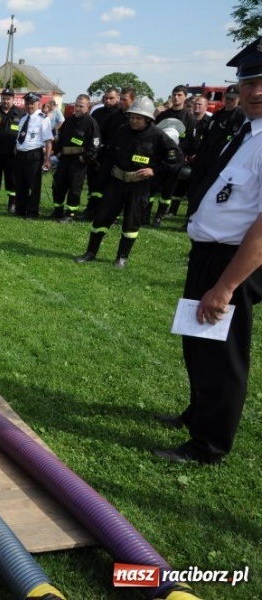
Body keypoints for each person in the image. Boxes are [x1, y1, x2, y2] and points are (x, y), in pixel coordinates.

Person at [153, 41, 262, 464]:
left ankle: (209, 445)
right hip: (209, 253)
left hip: (235, 260)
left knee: (222, 353)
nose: (255, 91)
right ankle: (198, 413)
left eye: (261, 83)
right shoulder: (244, 129)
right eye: (248, 82)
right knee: (198, 342)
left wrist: (227, 285)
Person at [74, 97, 182, 268]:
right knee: (102, 218)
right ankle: (90, 252)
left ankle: (122, 257)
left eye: (138, 118)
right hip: (117, 183)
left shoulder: (158, 136)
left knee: (131, 222)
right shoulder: (122, 131)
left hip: (139, 187)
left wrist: (155, 170)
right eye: (132, 116)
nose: (134, 120)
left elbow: (176, 158)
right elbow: (110, 154)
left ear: (148, 119)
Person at [186, 84, 244, 218]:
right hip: (204, 157)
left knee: (209, 189)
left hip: (219, 159)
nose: (229, 101)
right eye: (227, 98)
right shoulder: (218, 114)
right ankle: (190, 216)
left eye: (233, 98)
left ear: (239, 99)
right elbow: (206, 135)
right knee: (195, 187)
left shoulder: (240, 116)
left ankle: (202, 216)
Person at [151, 85, 197, 224]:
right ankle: (144, 213)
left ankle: (159, 215)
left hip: (176, 159)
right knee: (152, 186)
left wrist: (180, 152)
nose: (176, 97)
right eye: (174, 95)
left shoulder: (189, 117)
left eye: (179, 95)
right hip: (160, 156)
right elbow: (154, 133)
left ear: (185, 97)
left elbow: (190, 139)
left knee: (168, 189)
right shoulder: (164, 115)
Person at [52, 94, 100, 222]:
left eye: (81, 106)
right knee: (58, 184)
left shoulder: (91, 123)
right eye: (76, 105)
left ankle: (70, 214)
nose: (77, 109)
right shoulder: (68, 120)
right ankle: (58, 211)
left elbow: (95, 145)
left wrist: (85, 159)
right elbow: (60, 138)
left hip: (78, 161)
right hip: (65, 159)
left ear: (87, 107)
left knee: (74, 188)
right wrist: (57, 151)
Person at [13, 92, 53, 220]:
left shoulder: (43, 118)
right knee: (20, 184)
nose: (29, 106)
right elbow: (20, 135)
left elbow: (48, 141)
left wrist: (47, 159)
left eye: (32, 103)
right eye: (27, 103)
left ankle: (32, 212)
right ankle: (20, 209)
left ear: (38, 104)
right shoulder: (23, 118)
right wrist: (16, 147)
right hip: (21, 154)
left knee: (34, 185)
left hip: (34, 154)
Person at [82, 87, 121, 220]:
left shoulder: (120, 115)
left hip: (110, 154)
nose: (108, 101)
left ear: (118, 98)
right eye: (106, 98)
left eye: (111, 98)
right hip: (94, 153)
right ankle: (91, 209)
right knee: (93, 183)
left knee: (108, 185)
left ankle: (107, 212)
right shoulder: (97, 113)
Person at [0, 87, 24, 212]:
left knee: (12, 179)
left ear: (13, 99)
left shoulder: (20, 113)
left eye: (8, 99)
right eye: (3, 98)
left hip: (12, 153)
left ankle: (12, 204)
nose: (6, 101)